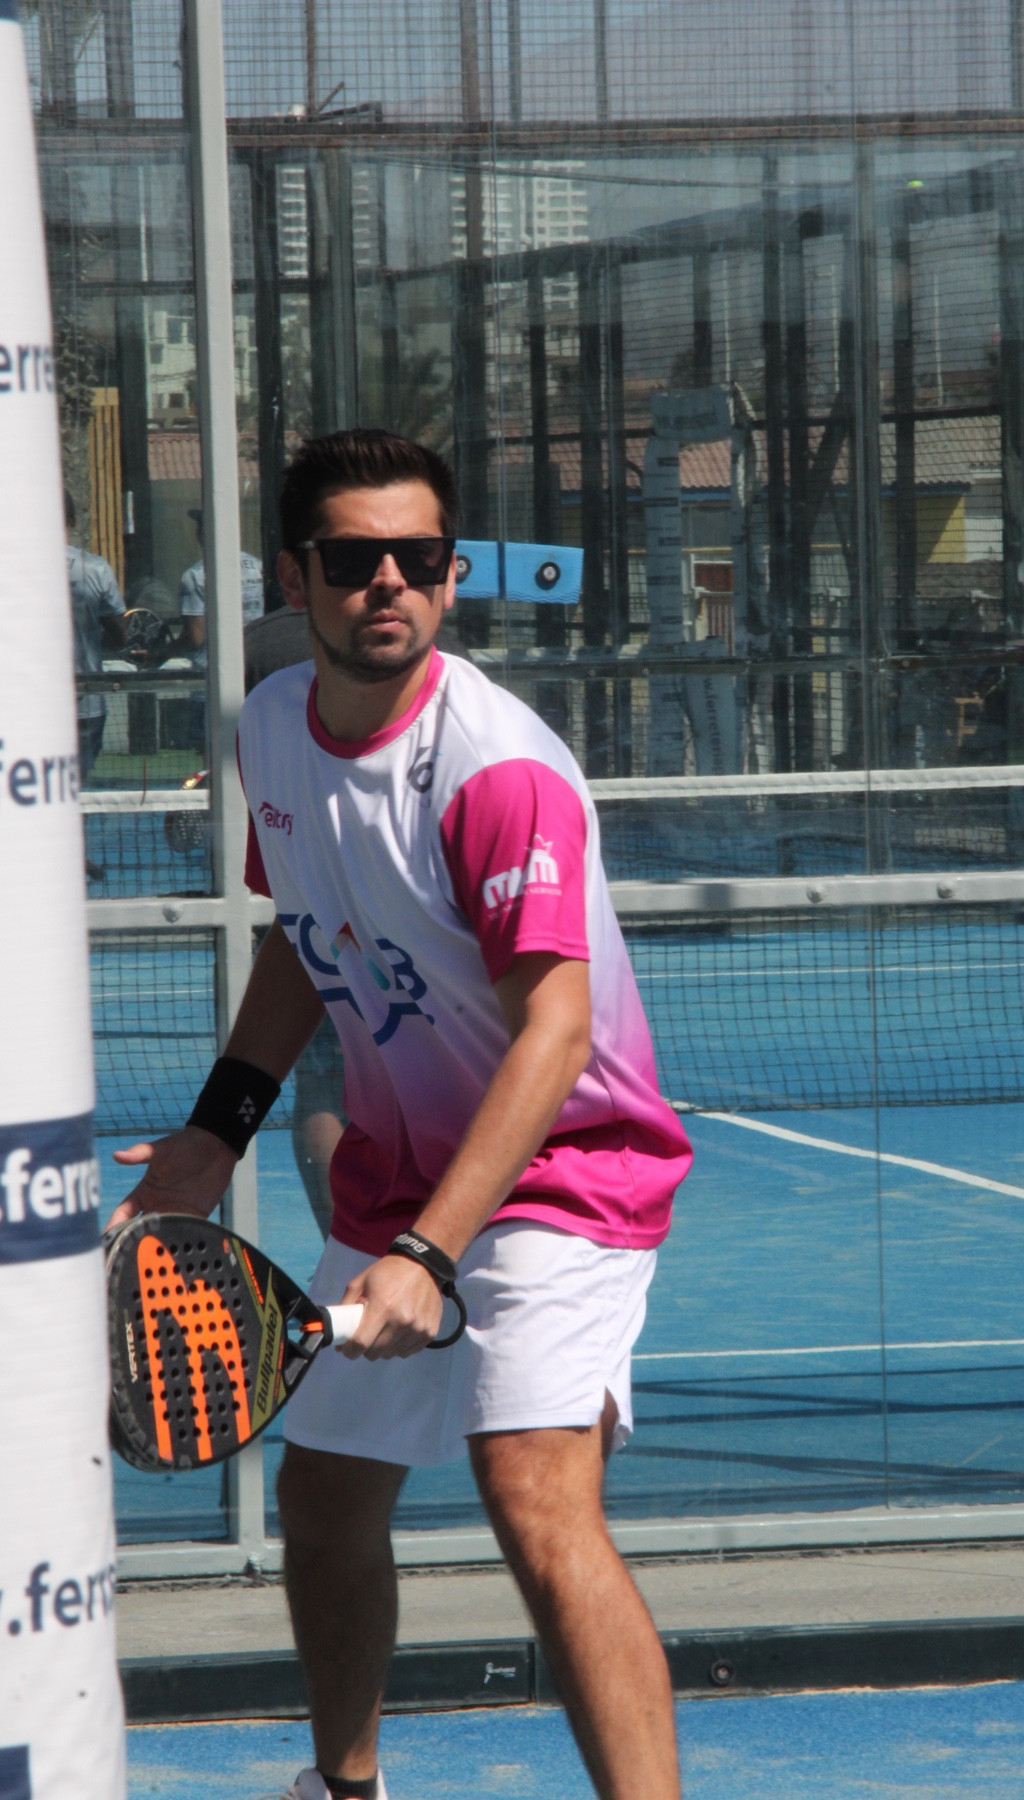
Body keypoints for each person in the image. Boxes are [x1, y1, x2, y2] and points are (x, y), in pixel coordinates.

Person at [108, 429, 692, 1800]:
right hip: (398, 1180)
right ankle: (345, 1788)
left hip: (566, 1173)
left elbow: (554, 1033)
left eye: (420, 558)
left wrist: (433, 1255)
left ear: (450, 576)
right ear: (295, 577)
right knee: (322, 1507)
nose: (391, 583)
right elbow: (302, 941)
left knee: (536, 1497)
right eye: (356, 558)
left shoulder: (495, 771)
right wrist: (216, 1131)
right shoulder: (271, 730)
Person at [240, 600, 477, 1240]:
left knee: (325, 1089)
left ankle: (358, 1239)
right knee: (398, 1082)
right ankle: (371, 1242)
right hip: (371, 916)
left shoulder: (252, 651)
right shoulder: (421, 639)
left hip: (333, 904)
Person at [65, 490, 125, 780]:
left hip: (31, 702)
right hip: (87, 700)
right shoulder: (95, 567)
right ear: (73, 520)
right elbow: (119, 633)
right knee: (80, 785)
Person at [178, 505, 265, 665]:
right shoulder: (258, 566)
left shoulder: (195, 575)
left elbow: (196, 638)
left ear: (202, 534)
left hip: (215, 667)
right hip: (257, 656)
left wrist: (163, 651)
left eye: (201, 527)